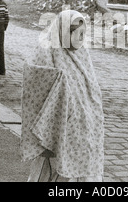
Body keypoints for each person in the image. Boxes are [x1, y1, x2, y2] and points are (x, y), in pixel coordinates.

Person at [21, 10, 104, 182]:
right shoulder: (47, 52)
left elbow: (90, 86)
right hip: (58, 126)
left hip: (83, 127)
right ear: (64, 32)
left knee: (82, 166)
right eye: (77, 33)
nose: (81, 38)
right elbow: (37, 86)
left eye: (84, 33)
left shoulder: (81, 54)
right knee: (55, 169)